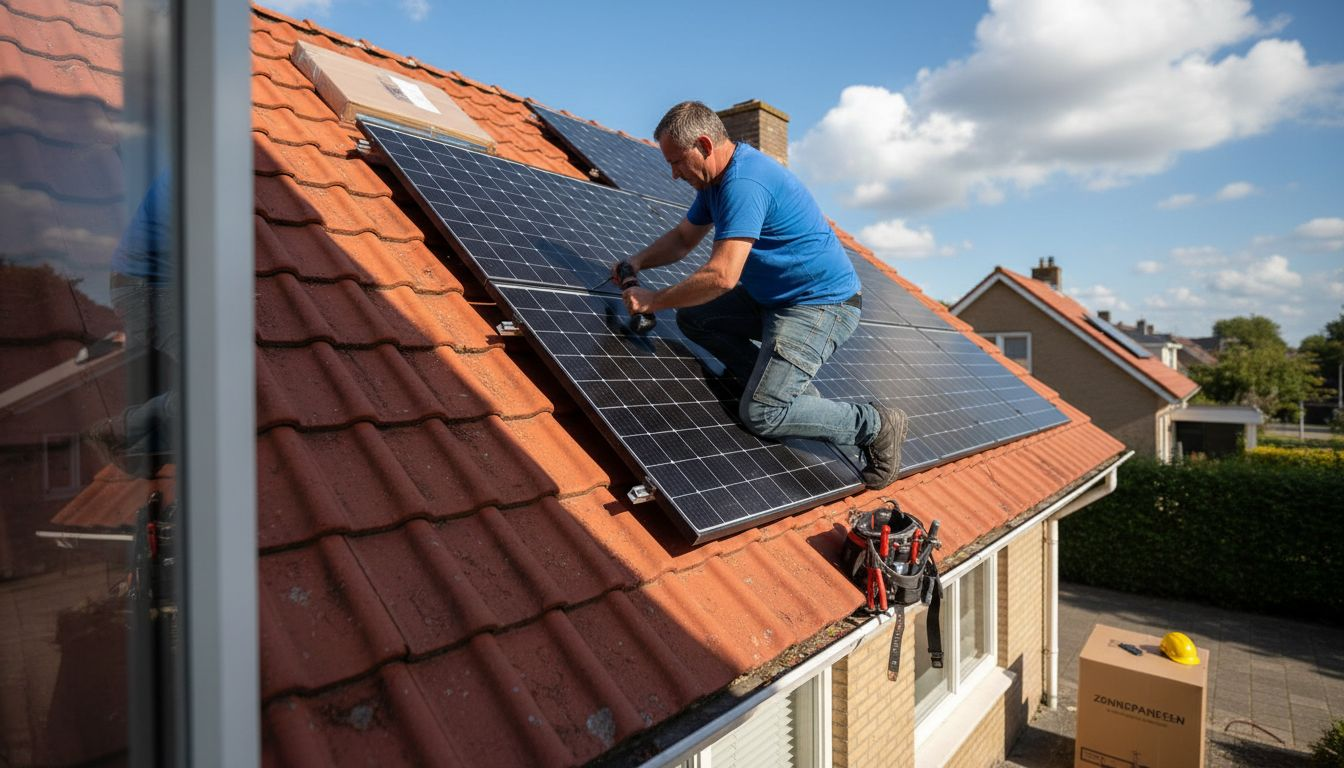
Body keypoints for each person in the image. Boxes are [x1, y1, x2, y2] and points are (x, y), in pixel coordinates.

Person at [617, 101, 907, 490]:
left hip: (820, 306)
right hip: (773, 297)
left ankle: (875, 424)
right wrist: (636, 263)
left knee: (763, 413)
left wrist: (653, 300)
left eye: (677, 162)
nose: (673, 175)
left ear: (704, 144)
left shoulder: (745, 183)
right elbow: (684, 239)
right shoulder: (714, 182)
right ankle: (776, 383)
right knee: (694, 317)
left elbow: (722, 275)